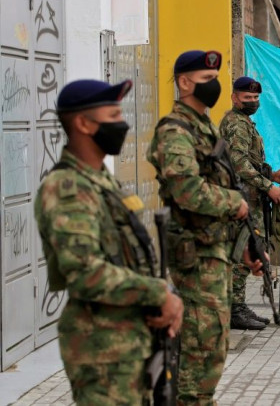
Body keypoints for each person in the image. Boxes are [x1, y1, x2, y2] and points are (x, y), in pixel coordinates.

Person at [35, 79, 184, 405]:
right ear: (84, 123)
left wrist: (164, 298)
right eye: (113, 114)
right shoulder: (68, 187)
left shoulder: (101, 180)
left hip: (130, 340)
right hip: (102, 348)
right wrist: (158, 292)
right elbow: (85, 272)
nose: (122, 123)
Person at [147, 50, 262, 404]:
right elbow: (188, 190)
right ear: (184, 82)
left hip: (215, 252)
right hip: (193, 257)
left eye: (215, 79)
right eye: (205, 80)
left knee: (211, 348)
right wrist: (235, 204)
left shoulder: (206, 128)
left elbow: (225, 185)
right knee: (199, 349)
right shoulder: (174, 131)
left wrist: (245, 243)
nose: (212, 86)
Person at [220, 76, 280, 330]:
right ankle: (234, 309)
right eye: (247, 98)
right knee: (241, 252)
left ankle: (238, 305)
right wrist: (267, 186)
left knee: (249, 249)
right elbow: (238, 164)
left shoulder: (245, 122)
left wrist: (270, 176)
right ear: (235, 97)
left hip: (250, 196)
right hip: (242, 198)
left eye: (256, 98)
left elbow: (249, 161)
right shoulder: (236, 124)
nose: (252, 102)